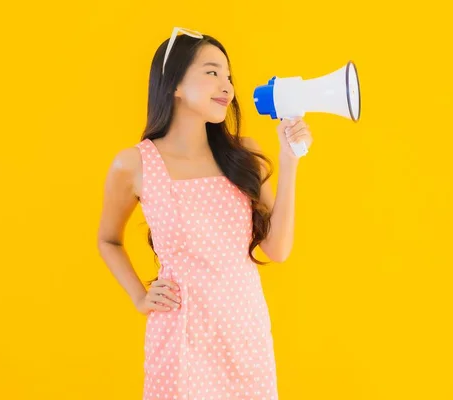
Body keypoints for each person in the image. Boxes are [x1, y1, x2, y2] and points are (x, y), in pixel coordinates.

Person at [96, 27, 313, 399]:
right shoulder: (135, 164)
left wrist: (289, 161)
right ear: (174, 84)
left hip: (245, 333)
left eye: (228, 76)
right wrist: (139, 296)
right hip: (181, 337)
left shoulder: (244, 155)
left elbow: (277, 250)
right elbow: (108, 239)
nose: (226, 85)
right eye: (212, 72)